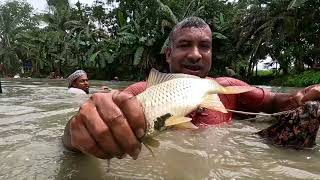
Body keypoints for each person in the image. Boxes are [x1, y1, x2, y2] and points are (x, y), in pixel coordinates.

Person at [62, 17, 320, 160]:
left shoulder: (226, 88)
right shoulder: (141, 91)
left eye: (204, 46)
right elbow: (99, 115)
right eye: (185, 45)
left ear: (211, 53)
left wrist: (299, 96)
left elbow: (275, 103)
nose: (195, 55)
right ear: (168, 54)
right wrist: (75, 133)